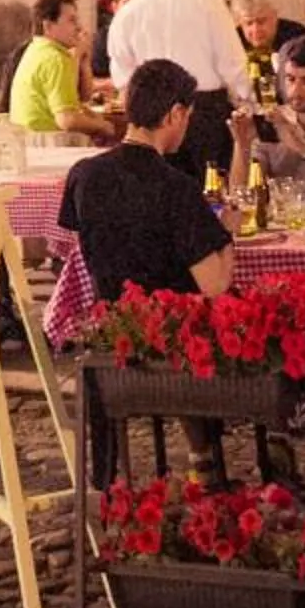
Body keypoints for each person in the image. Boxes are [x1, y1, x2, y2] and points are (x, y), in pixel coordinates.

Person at [58, 57, 233, 479]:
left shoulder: (84, 175)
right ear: (174, 114)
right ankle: (208, 458)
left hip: (111, 330)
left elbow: (74, 248)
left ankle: (112, 477)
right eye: (186, 117)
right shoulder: (177, 188)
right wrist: (227, 234)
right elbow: (214, 285)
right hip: (173, 344)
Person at [106, 0, 251, 180]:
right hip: (204, 113)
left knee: (159, 191)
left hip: (152, 118)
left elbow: (124, 78)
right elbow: (231, 61)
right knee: (210, 192)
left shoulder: (129, 11)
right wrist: (248, 104)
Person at [227, 35, 305, 206]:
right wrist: (242, 145)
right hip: (284, 221)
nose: (295, 91)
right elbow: (241, 199)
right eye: (290, 79)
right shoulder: (272, 121)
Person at [7, 0, 115, 141]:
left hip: (29, 140)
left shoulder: (38, 49)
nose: (79, 27)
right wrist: (102, 126)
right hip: (48, 143)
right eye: (72, 21)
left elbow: (84, 97)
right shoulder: (55, 58)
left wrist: (83, 60)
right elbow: (67, 120)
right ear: (48, 26)